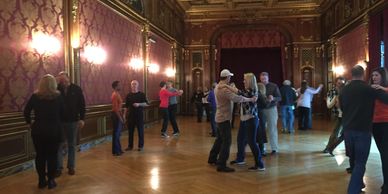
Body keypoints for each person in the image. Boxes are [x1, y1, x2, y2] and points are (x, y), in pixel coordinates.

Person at [339, 65, 388, 194]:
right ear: (363, 74)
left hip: (348, 129)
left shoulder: (344, 89)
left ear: (351, 74)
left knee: (354, 160)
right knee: (360, 162)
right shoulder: (369, 89)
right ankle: (353, 190)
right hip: (363, 130)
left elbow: (342, 107)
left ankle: (359, 184)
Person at [207, 69, 257, 173]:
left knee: (220, 139)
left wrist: (231, 87)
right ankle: (221, 164)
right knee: (227, 141)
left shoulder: (218, 86)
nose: (230, 78)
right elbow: (236, 98)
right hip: (224, 118)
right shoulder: (224, 89)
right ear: (228, 77)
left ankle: (212, 158)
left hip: (220, 117)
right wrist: (250, 99)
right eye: (230, 77)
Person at [24, 74, 64, 189]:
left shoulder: (35, 96)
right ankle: (51, 180)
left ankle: (41, 180)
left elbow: (26, 111)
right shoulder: (58, 97)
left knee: (40, 156)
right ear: (54, 84)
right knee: (52, 156)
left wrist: (29, 123)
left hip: (38, 131)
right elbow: (63, 113)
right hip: (54, 130)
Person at [229, 73, 265, 171]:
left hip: (251, 120)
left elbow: (240, 93)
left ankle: (260, 164)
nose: (243, 81)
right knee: (240, 140)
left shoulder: (252, 91)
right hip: (244, 119)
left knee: (252, 142)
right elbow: (240, 95)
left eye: (245, 79)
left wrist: (231, 87)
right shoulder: (247, 91)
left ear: (249, 81)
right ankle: (240, 159)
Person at [56, 72, 85, 177]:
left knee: (71, 145)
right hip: (59, 122)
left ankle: (71, 166)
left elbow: (82, 104)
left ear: (68, 78)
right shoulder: (56, 89)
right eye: (61, 81)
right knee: (58, 145)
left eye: (64, 80)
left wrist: (82, 119)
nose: (63, 83)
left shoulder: (76, 89)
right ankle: (58, 168)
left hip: (73, 121)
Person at [370, 67, 388, 194]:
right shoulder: (372, 89)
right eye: (373, 75)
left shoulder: (382, 90)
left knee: (386, 155)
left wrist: (382, 89)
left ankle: (386, 185)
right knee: (383, 154)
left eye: (376, 75)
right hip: (375, 125)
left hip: (386, 124)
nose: (374, 77)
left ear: (383, 76)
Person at [323, 77, 346, 156]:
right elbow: (329, 105)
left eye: (342, 83)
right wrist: (331, 99)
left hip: (344, 115)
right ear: (336, 82)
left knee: (341, 133)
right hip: (338, 114)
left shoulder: (345, 91)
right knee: (336, 133)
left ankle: (329, 148)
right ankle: (329, 148)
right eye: (339, 83)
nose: (340, 84)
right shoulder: (332, 92)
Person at [259, 72, 281, 154]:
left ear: (268, 78)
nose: (263, 80)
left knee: (272, 129)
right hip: (261, 109)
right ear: (260, 78)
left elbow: (279, 97)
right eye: (262, 79)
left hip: (271, 109)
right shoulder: (258, 86)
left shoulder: (273, 86)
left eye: (265, 79)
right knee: (261, 129)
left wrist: (273, 98)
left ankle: (274, 148)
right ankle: (262, 148)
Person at [124, 80, 148, 151]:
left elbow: (146, 104)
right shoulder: (128, 95)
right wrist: (124, 115)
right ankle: (130, 146)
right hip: (130, 116)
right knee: (130, 132)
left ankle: (141, 146)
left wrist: (139, 104)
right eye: (132, 84)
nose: (134, 85)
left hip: (139, 116)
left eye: (135, 84)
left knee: (140, 131)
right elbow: (126, 106)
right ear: (131, 85)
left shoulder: (141, 94)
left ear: (138, 85)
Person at [111, 81, 124, 156]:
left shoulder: (117, 94)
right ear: (116, 87)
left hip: (117, 114)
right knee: (116, 134)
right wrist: (120, 118)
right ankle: (116, 151)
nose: (121, 86)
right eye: (119, 85)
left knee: (118, 134)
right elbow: (115, 109)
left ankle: (118, 149)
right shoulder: (115, 95)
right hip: (116, 115)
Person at [257, 82, 269, 156]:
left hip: (257, 114)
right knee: (261, 132)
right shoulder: (260, 95)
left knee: (258, 132)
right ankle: (261, 150)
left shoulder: (256, 94)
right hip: (260, 114)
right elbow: (265, 105)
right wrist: (269, 100)